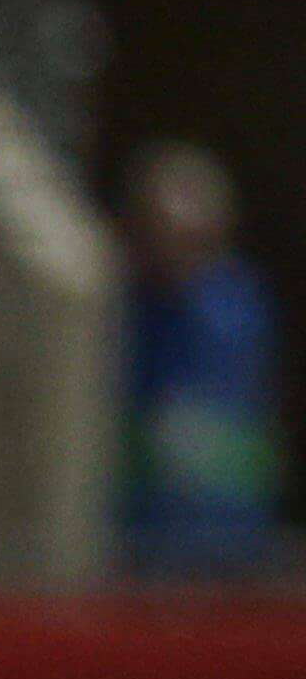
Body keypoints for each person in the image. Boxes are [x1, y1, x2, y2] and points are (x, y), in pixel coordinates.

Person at [116, 141, 278, 579]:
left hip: (229, 537)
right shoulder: (125, 308)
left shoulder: (239, 304)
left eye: (190, 236)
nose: (175, 249)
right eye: (160, 232)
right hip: (141, 538)